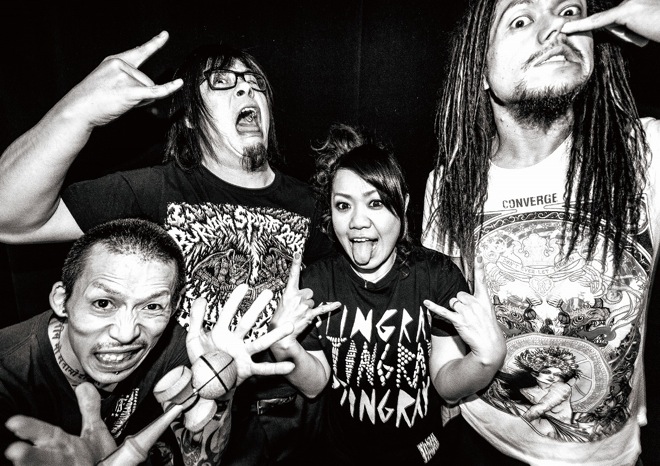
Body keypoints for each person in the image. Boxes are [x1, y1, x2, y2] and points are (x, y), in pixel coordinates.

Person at [0, 32, 332, 464]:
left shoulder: (312, 206)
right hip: (192, 422)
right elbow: (9, 216)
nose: (246, 89)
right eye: (223, 82)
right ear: (190, 117)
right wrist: (76, 112)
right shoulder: (157, 189)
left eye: (254, 84)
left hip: (292, 421)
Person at [422, 0, 660, 464]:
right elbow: (448, 374)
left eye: (569, 11)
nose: (555, 28)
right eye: (521, 19)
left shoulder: (644, 155)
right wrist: (491, 365)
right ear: (481, 68)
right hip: (483, 445)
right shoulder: (450, 185)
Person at [269, 124, 506, 465]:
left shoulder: (436, 277)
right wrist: (283, 346)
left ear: (403, 205)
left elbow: (446, 384)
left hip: (420, 453)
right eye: (343, 205)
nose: (357, 221)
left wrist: (486, 360)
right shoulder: (317, 283)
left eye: (376, 203)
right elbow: (314, 384)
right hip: (342, 456)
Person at [0, 218, 295, 466]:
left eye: (152, 307)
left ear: (174, 308)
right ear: (62, 300)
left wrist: (220, 390)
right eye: (103, 303)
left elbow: (202, 461)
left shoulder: (176, 348)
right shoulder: (9, 372)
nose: (126, 333)